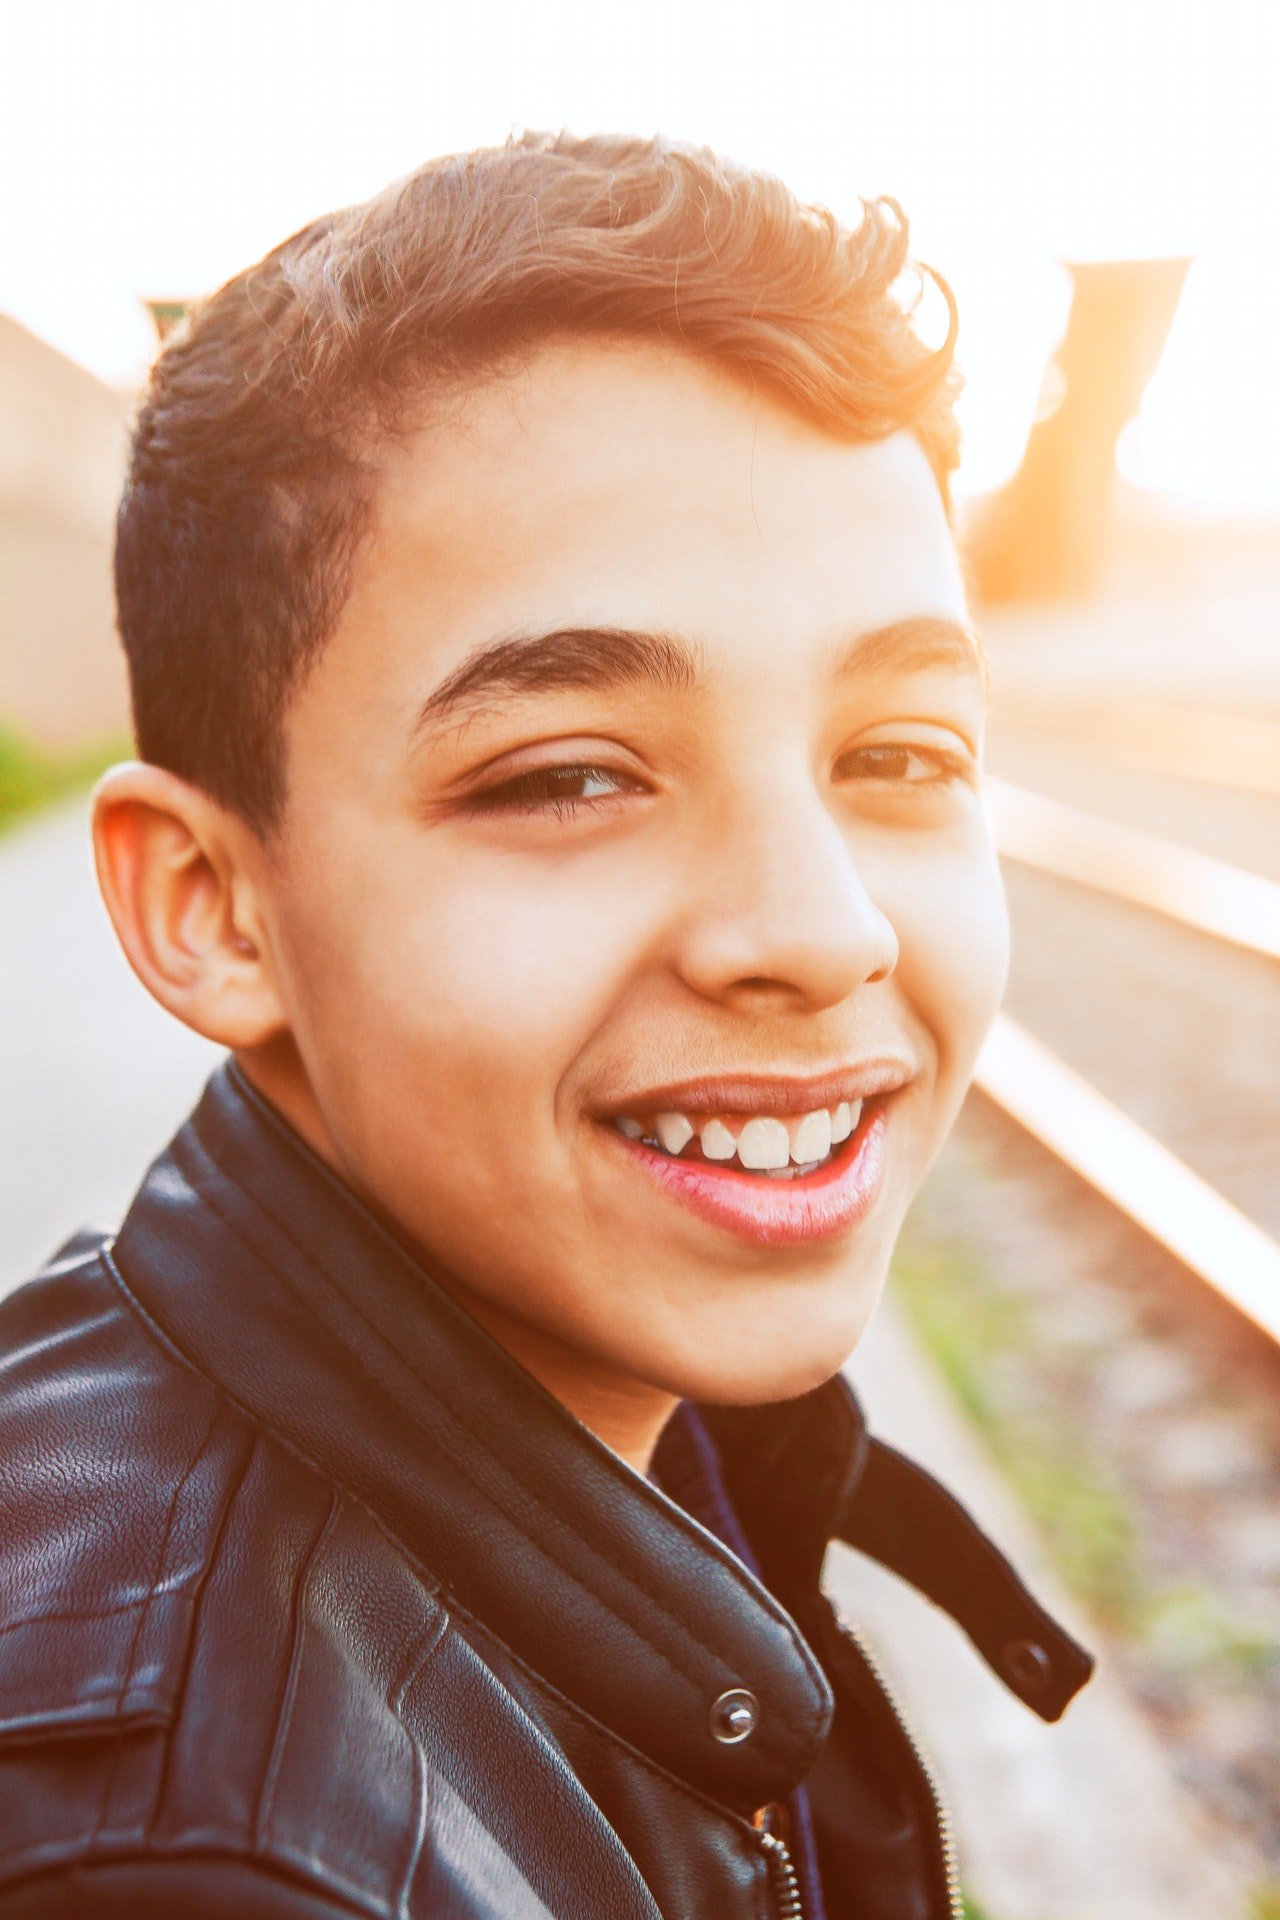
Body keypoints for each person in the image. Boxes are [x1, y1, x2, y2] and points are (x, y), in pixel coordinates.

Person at [0, 132, 1092, 1918]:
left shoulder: (650, 1412)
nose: (821, 930)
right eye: (571, 775)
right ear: (212, 907)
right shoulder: (196, 1867)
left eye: (899, 755)